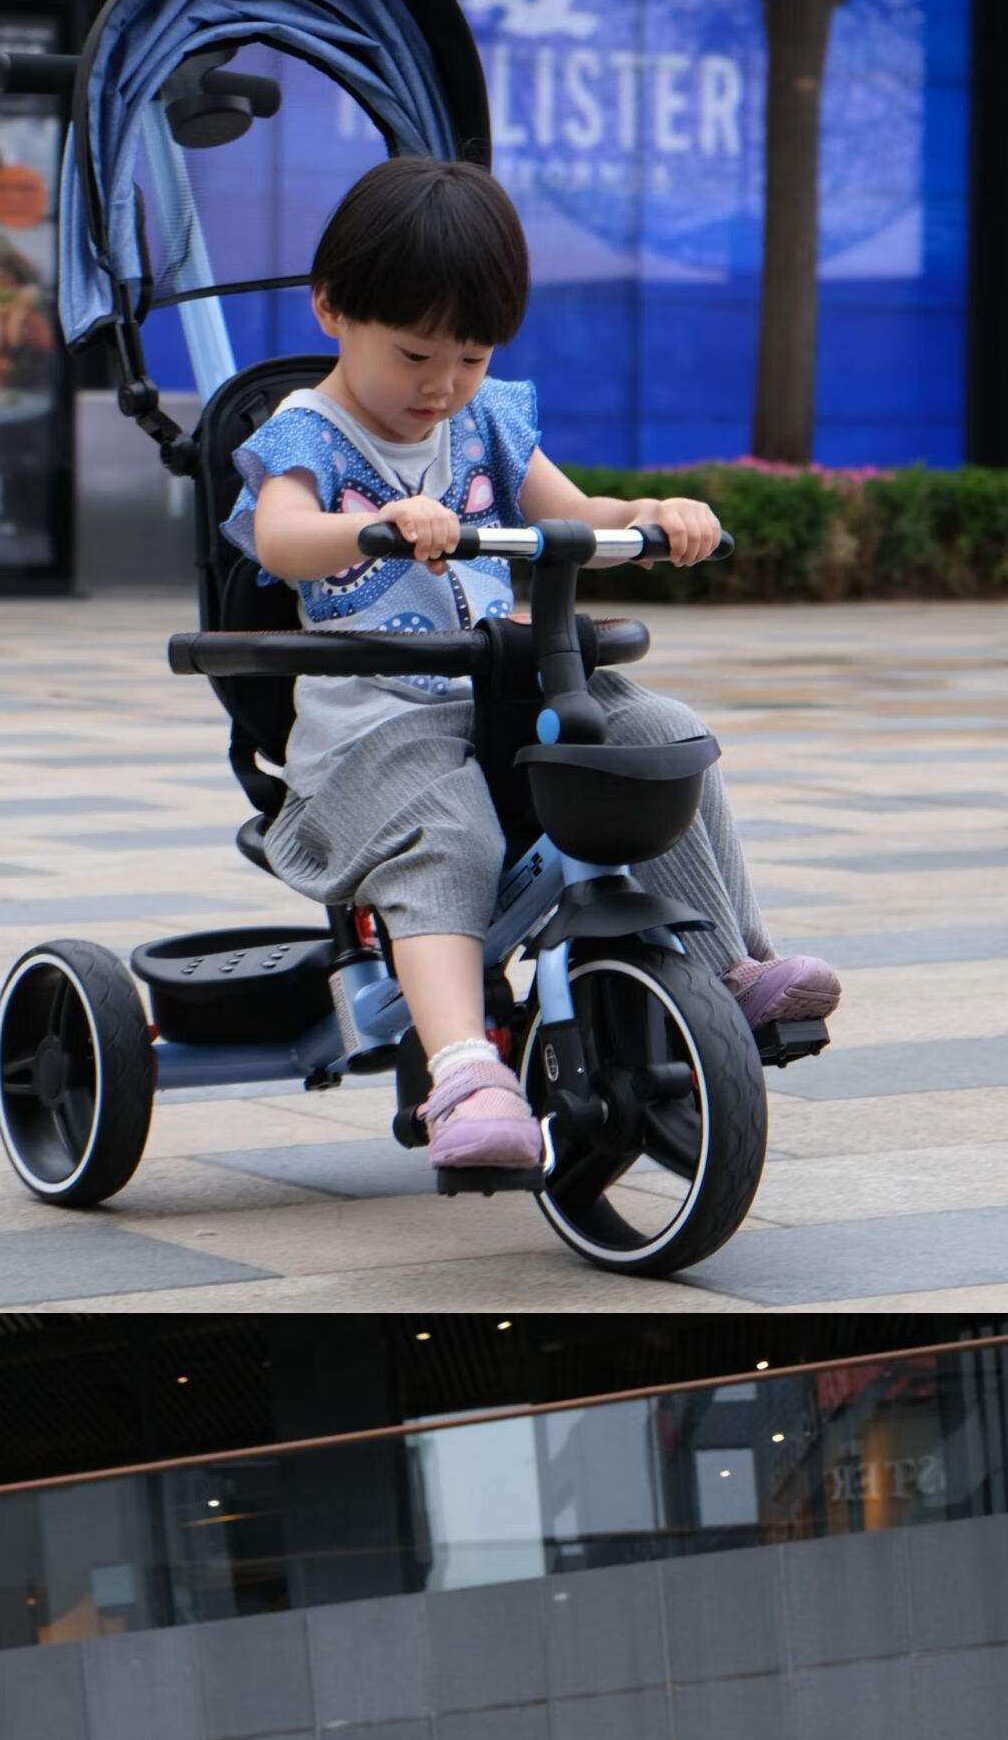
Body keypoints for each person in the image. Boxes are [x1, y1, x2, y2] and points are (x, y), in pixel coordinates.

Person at [225, 157, 841, 1174]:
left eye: (470, 356)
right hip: (375, 729)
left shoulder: (486, 421)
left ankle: (729, 966)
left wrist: (649, 516)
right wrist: (371, 523)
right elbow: (284, 536)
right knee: (451, 829)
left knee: (657, 735)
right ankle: (466, 1074)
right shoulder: (305, 434)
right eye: (417, 353)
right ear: (331, 309)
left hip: (501, 693)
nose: (441, 386)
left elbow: (579, 515)